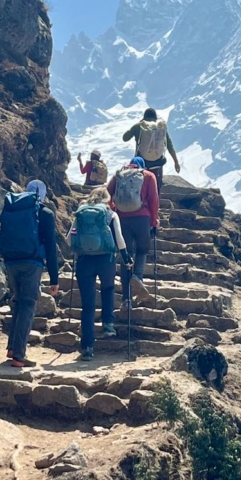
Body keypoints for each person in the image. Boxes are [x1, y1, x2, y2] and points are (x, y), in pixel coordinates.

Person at [0, 179, 60, 369]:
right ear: (43, 194)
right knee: (27, 305)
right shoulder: (46, 214)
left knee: (17, 302)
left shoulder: (13, 209)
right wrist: (54, 278)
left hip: (10, 261)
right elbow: (51, 247)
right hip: (32, 263)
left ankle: (11, 347)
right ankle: (19, 355)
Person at [69, 186, 133, 361]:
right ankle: (108, 324)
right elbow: (119, 238)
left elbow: (70, 238)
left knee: (88, 306)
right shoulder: (110, 213)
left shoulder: (80, 212)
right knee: (108, 288)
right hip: (106, 259)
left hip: (84, 261)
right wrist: (126, 258)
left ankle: (88, 347)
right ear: (108, 199)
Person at [107, 156, 159, 310]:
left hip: (122, 219)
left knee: (126, 255)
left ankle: (126, 300)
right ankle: (138, 277)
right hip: (142, 218)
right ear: (142, 166)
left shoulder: (118, 176)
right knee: (143, 249)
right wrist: (154, 221)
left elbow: (106, 194)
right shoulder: (148, 176)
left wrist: (113, 211)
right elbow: (154, 199)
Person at [122, 107, 180, 190]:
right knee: (156, 187)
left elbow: (125, 138)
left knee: (140, 186)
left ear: (144, 117)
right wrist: (176, 162)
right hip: (158, 163)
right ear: (155, 118)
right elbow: (169, 145)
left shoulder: (139, 126)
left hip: (142, 163)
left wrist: (136, 128)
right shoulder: (160, 128)